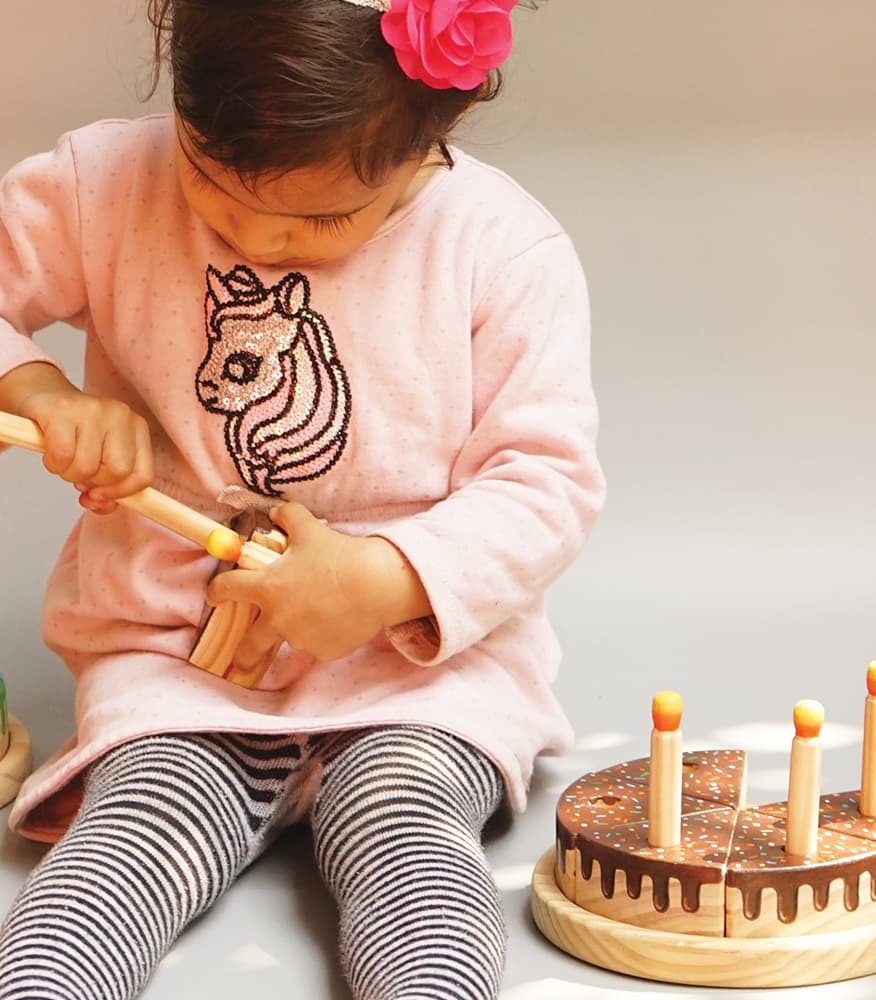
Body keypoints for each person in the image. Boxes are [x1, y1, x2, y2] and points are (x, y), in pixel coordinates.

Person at [0, 0, 604, 997]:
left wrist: (386, 576)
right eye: (211, 186)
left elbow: (546, 483)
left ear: (427, 138)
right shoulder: (102, 184)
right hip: (174, 663)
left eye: (320, 218)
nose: (258, 239)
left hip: (411, 682)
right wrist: (39, 390)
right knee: (127, 846)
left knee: (406, 839)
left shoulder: (501, 248)